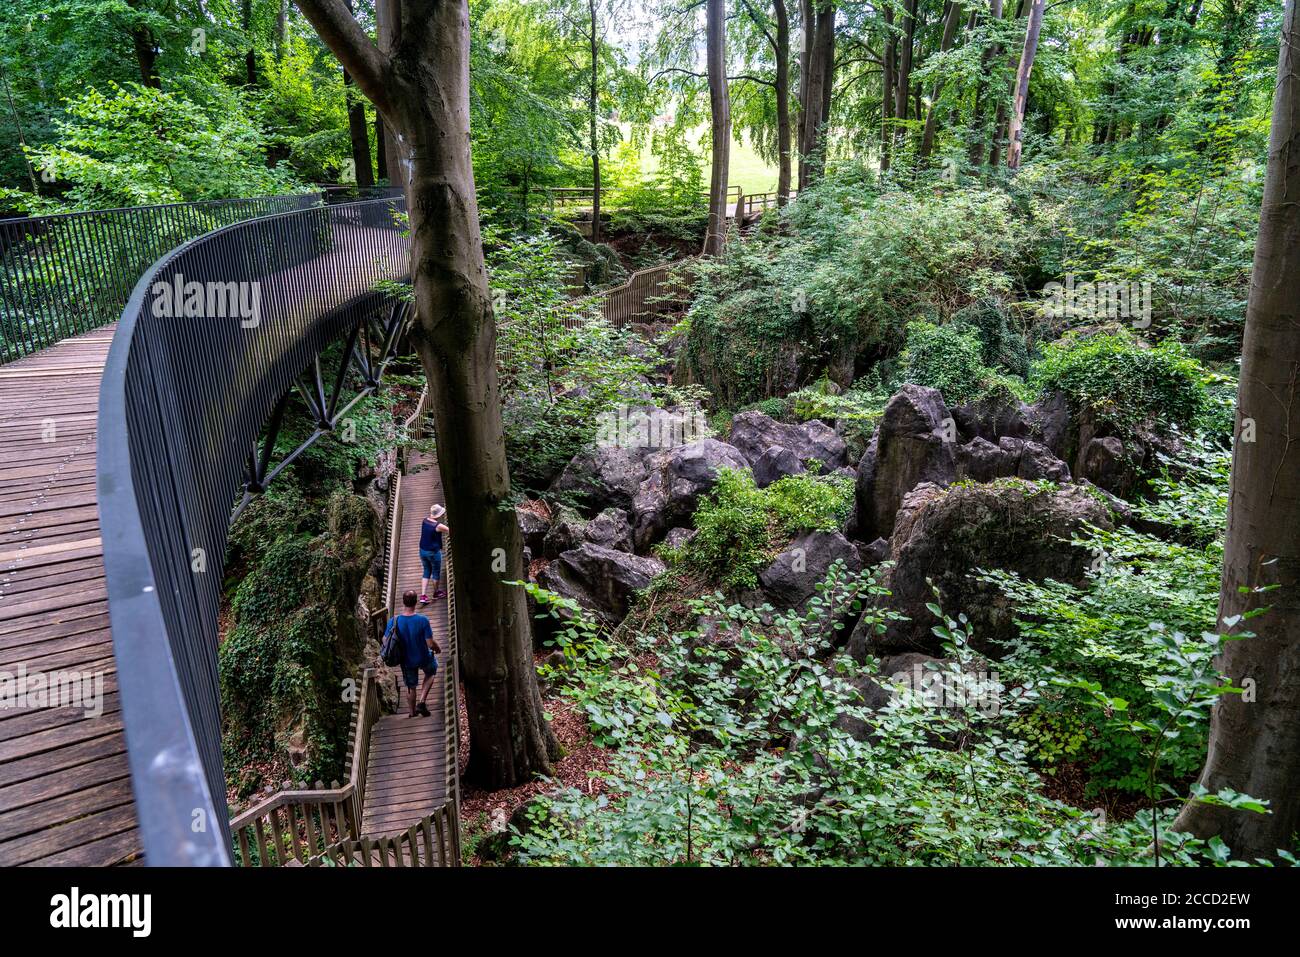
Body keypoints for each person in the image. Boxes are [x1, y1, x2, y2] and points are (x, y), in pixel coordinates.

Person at [386, 590, 442, 717]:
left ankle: (412, 713)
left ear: (403, 602)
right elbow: (430, 643)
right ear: (416, 602)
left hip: (406, 660)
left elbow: (385, 640)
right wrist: (437, 648)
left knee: (411, 686)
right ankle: (422, 701)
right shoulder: (423, 620)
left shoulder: (394, 621)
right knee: (431, 671)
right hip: (423, 657)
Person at [418, 503, 449, 605]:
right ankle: (436, 593)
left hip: (422, 550)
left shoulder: (424, 520)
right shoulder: (438, 526)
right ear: (439, 515)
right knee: (435, 572)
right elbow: (449, 530)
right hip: (433, 552)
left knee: (426, 570)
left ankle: (423, 595)